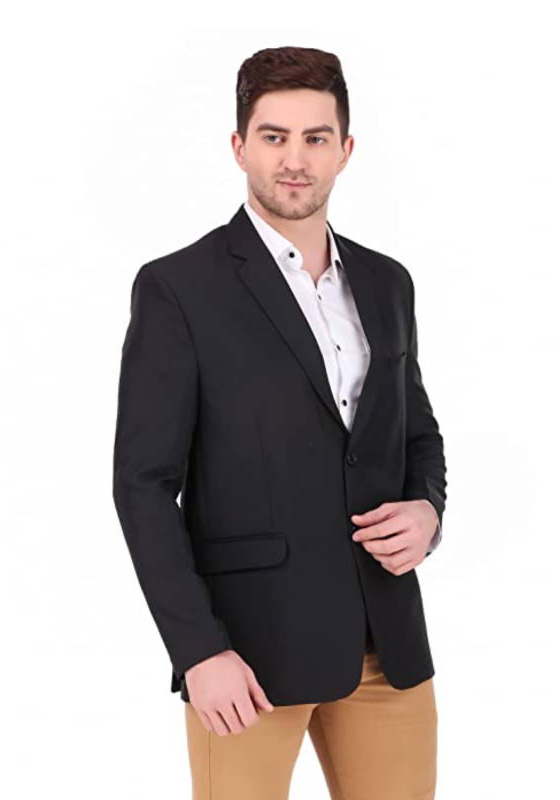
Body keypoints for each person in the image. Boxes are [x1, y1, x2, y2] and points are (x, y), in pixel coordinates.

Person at [112, 45, 447, 800]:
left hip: (387, 644)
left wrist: (428, 510)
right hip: (247, 656)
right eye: (274, 136)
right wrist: (198, 651)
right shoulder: (179, 288)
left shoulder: (387, 282)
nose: (295, 160)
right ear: (240, 147)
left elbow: (417, 433)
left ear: (345, 150)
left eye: (315, 138)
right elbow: (143, 485)